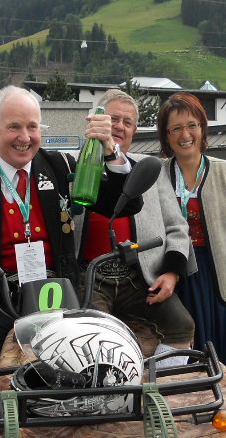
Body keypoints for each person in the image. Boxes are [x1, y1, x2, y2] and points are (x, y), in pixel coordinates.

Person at [0, 85, 140, 371]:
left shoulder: (61, 167)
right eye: (14, 127)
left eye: (32, 127)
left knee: (82, 368)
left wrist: (110, 152)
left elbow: (124, 204)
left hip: (60, 295)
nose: (24, 137)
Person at [156, 92, 226, 399]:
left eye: (192, 125)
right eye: (176, 128)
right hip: (177, 281)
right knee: (184, 364)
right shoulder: (156, 174)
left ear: (203, 128)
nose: (185, 135)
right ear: (166, 135)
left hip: (222, 286)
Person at [77, 88, 195, 364]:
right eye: (113, 119)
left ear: (134, 130)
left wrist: (172, 272)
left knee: (182, 325)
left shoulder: (151, 168)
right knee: (95, 336)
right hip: (90, 276)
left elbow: (178, 228)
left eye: (127, 122)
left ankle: (161, 381)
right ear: (96, 120)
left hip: (140, 277)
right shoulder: (73, 163)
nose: (120, 127)